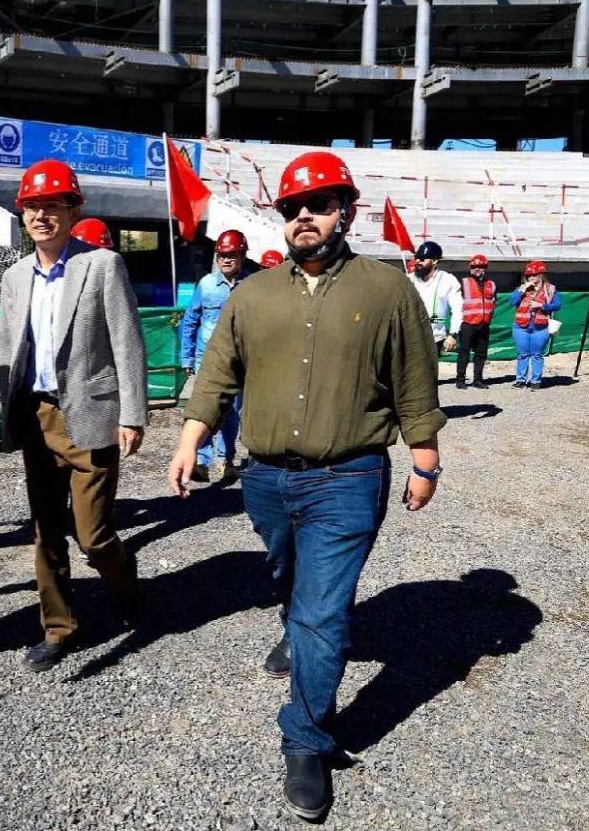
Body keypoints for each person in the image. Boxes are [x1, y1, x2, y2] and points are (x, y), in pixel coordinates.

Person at [167, 151, 445, 821]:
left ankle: (306, 739)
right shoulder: (253, 294)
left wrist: (426, 456)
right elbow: (217, 372)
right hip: (264, 480)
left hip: (348, 477)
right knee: (288, 574)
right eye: (293, 208)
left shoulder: (386, 289)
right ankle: (295, 624)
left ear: (346, 210)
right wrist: (190, 436)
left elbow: (414, 377)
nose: (304, 218)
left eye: (319, 205)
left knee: (324, 612)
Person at [0, 159, 147, 673]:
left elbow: (127, 342)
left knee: (93, 535)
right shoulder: (14, 276)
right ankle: (59, 627)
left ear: (72, 209)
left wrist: (133, 414)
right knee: (45, 531)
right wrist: (9, 414)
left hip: (90, 413)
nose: (41, 215)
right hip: (38, 414)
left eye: (52, 205)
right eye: (32, 206)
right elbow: (9, 350)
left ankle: (128, 587)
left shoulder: (102, 265)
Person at [179, 229, 251, 484]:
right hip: (207, 359)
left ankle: (227, 459)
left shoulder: (252, 286)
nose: (227, 260)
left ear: (242, 256)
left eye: (232, 255)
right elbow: (190, 321)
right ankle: (202, 460)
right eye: (222, 255)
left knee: (231, 412)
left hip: (239, 361)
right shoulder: (207, 285)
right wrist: (186, 358)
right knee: (205, 408)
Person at [509, 260, 562, 390]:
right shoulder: (522, 288)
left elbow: (557, 305)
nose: (531, 278)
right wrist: (521, 291)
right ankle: (520, 380)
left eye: (534, 275)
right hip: (521, 326)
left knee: (537, 354)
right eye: (529, 275)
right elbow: (512, 302)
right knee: (522, 354)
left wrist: (542, 306)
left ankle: (536, 381)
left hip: (540, 327)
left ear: (541, 275)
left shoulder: (550, 289)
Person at [408, 240, 463, 356]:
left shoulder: (448, 280)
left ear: (434, 260)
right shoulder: (408, 280)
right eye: (417, 258)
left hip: (434, 338)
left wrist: (453, 334)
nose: (418, 261)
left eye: (422, 259)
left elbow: (458, 310)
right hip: (409, 337)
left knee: (428, 372)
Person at [455, 254, 497, 389]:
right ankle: (460, 380)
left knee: (481, 354)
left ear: (486, 268)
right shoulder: (463, 282)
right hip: (468, 323)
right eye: (474, 267)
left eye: (480, 266)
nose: (477, 269)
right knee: (464, 353)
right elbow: (457, 303)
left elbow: (493, 302)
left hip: (484, 324)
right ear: (470, 268)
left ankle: (478, 380)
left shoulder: (492, 284)